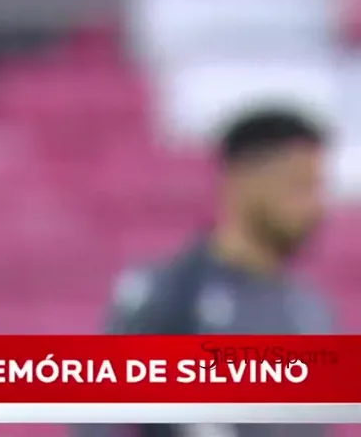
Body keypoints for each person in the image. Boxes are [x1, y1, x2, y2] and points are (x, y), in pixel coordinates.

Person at [78, 108, 335, 437]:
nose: (316, 206)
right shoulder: (169, 293)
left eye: (318, 188)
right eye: (300, 187)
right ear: (243, 181)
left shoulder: (310, 309)